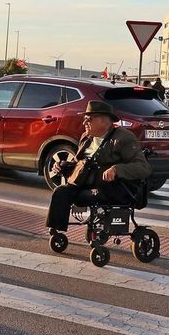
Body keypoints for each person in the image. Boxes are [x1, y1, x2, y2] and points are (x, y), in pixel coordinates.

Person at [45, 100, 151, 238]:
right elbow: (81, 163)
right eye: (84, 119)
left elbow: (144, 168)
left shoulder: (123, 137)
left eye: (88, 119)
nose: (84, 123)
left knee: (88, 195)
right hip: (86, 183)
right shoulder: (86, 137)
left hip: (114, 187)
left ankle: (97, 232)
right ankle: (56, 231)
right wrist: (65, 166)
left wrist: (116, 170)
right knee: (61, 192)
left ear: (103, 119)